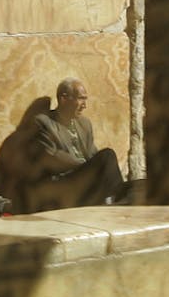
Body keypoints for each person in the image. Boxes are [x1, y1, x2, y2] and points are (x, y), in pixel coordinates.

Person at [12, 78, 143, 212]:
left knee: (140, 185)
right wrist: (87, 166)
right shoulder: (44, 122)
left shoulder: (84, 124)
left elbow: (93, 155)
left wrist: (94, 168)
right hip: (65, 185)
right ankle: (116, 200)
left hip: (86, 181)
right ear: (63, 99)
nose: (84, 105)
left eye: (85, 99)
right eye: (80, 99)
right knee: (107, 155)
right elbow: (52, 156)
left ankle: (115, 200)